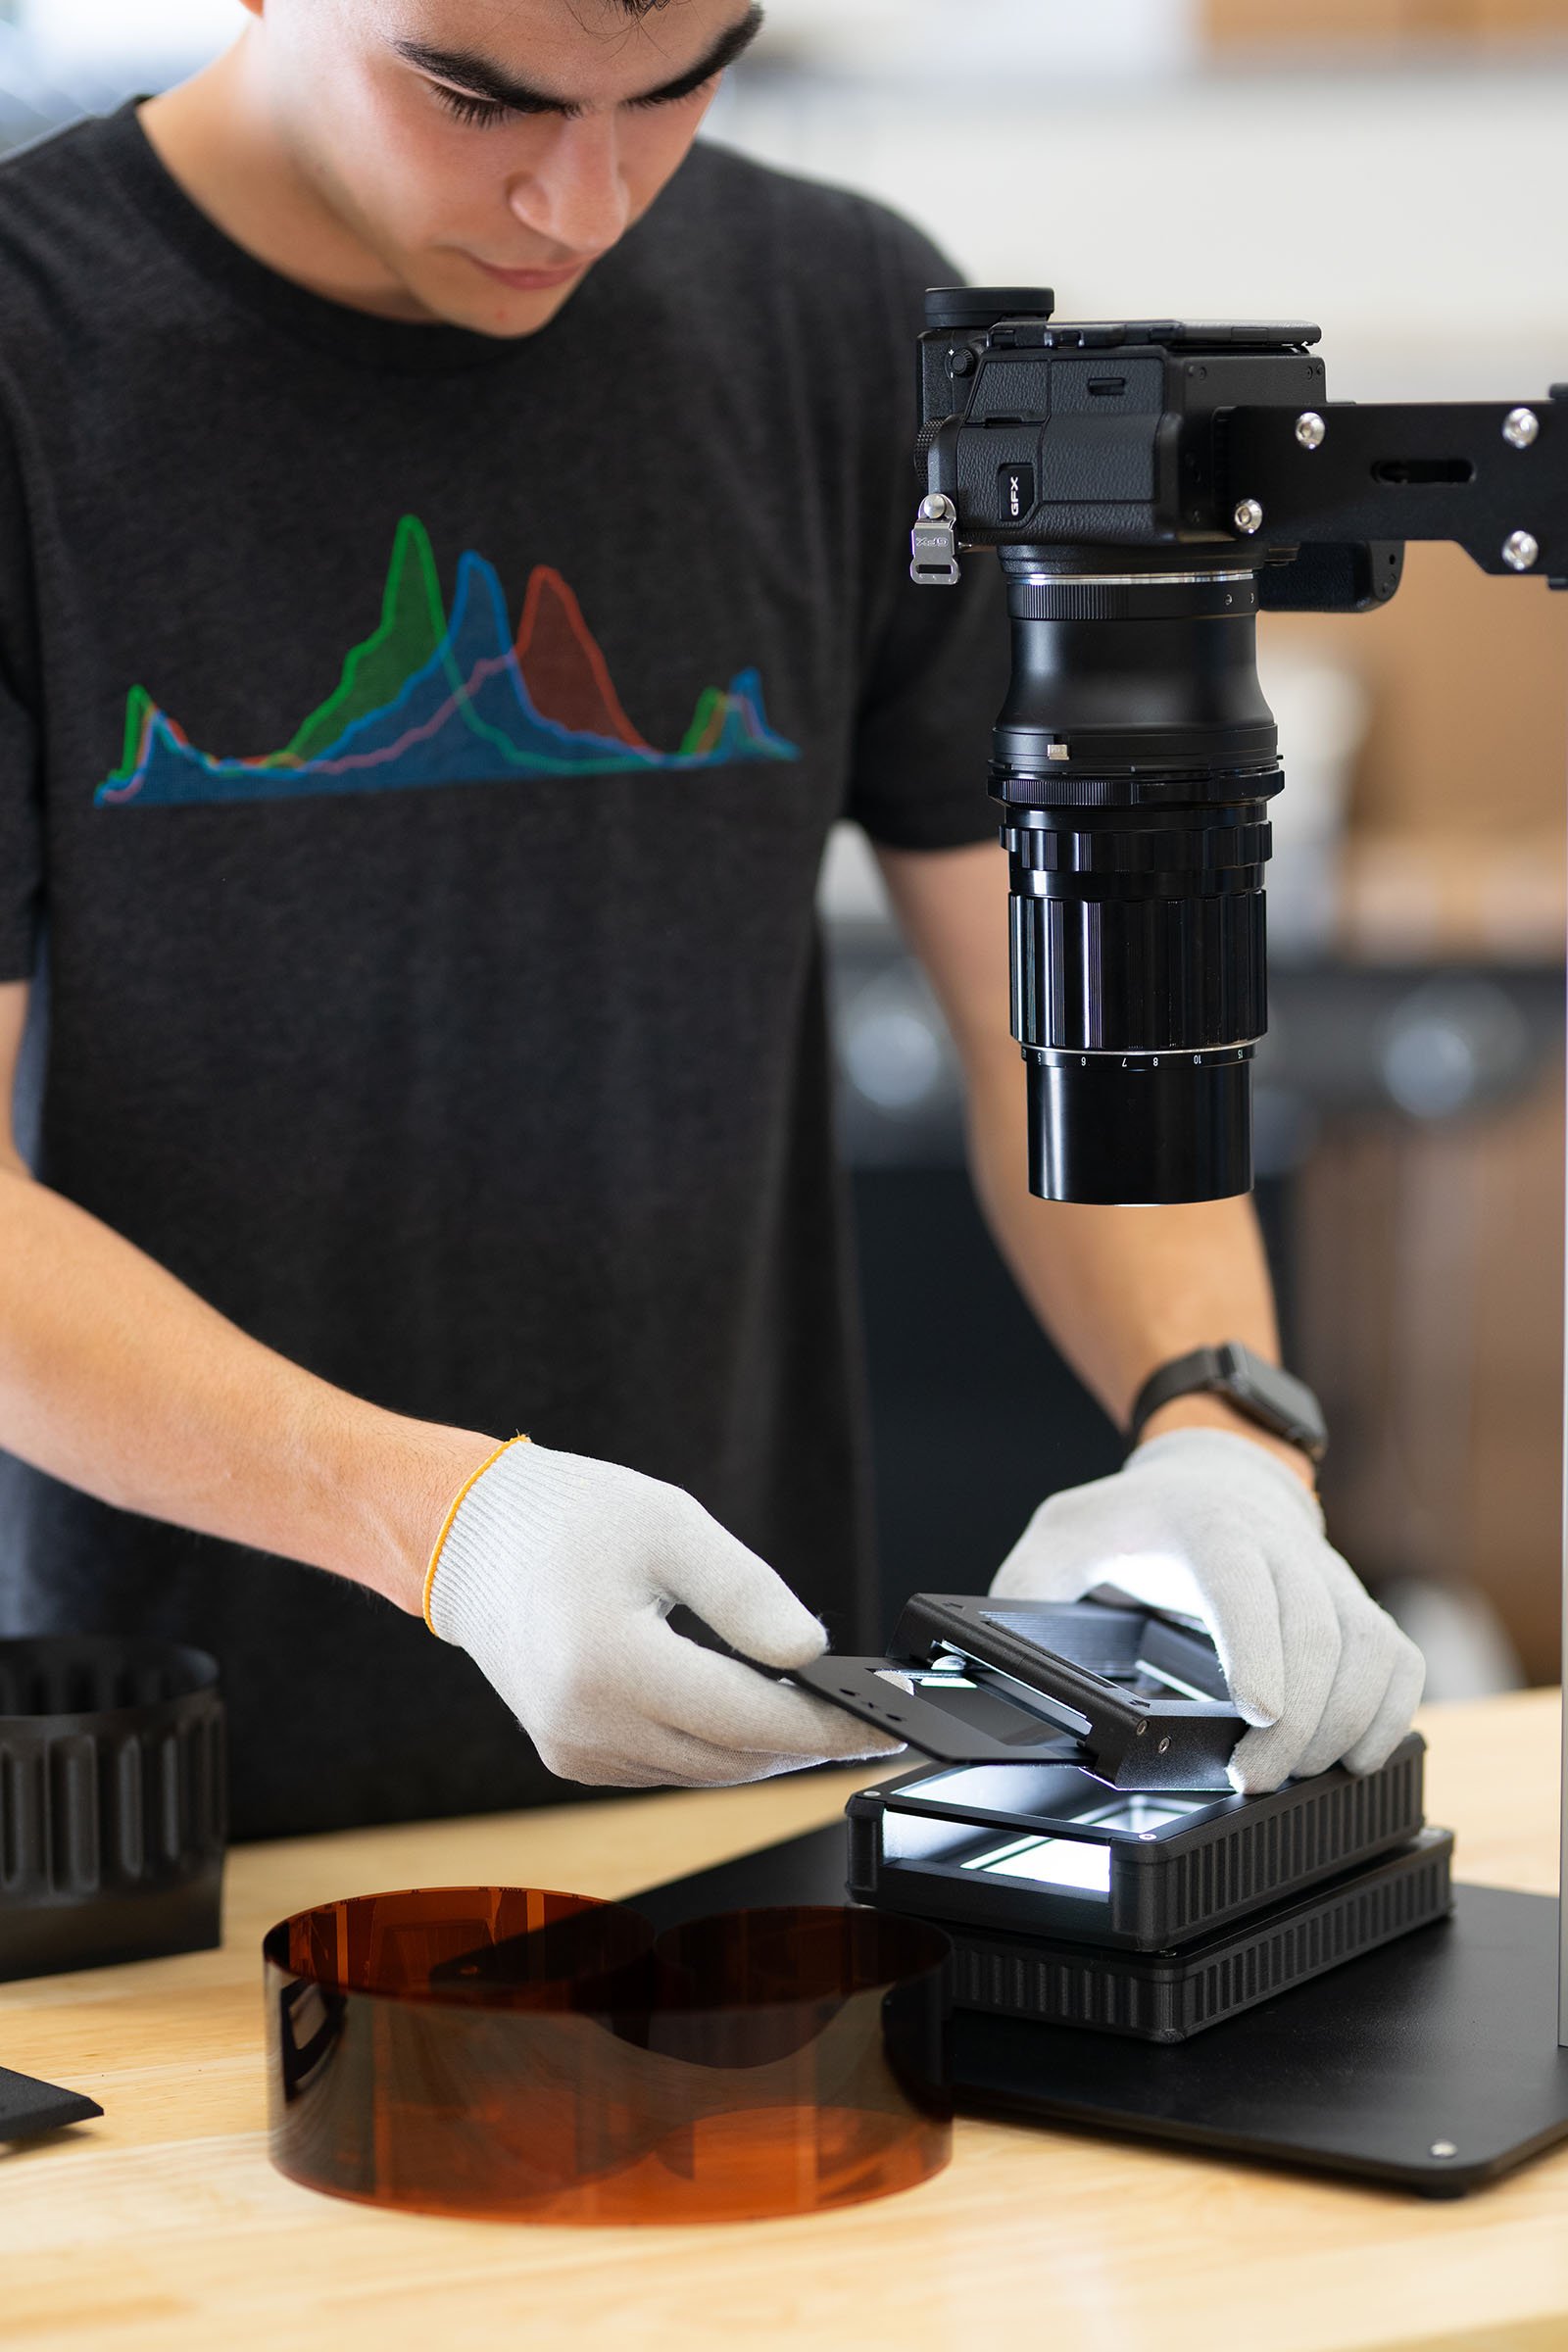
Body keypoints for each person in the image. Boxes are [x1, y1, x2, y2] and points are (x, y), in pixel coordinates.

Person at [0, 0, 1422, 1840]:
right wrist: (447, 1525)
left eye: (677, 83)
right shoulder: (32, 366)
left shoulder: (838, 327)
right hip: (142, 1796)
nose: (581, 200)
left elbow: (1051, 997)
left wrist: (1216, 1421)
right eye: (474, 94)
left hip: (737, 1748)